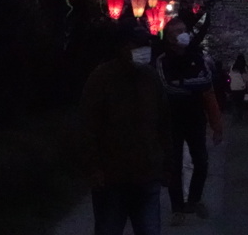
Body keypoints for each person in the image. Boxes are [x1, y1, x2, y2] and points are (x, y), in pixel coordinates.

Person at [80, 23, 171, 235]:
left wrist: (167, 164)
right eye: (137, 45)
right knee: (109, 227)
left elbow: (164, 124)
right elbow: (89, 125)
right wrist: (94, 167)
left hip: (147, 172)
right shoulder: (102, 78)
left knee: (149, 229)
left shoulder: (151, 78)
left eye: (146, 44)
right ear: (122, 47)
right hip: (112, 175)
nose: (143, 50)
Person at [155, 17, 224, 226]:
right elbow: (168, 87)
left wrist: (216, 124)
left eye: (183, 30)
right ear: (168, 37)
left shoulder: (198, 58)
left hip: (196, 117)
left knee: (201, 161)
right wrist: (192, 85)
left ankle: (194, 200)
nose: (181, 34)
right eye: (176, 32)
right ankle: (177, 208)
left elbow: (207, 85)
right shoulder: (163, 61)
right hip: (172, 119)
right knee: (174, 164)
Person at [228, 55, 248, 122]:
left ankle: (235, 116)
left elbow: (230, 76)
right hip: (241, 87)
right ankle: (241, 116)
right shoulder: (243, 68)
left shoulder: (232, 67)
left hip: (233, 87)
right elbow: (246, 78)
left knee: (235, 102)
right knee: (241, 102)